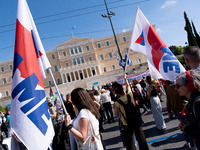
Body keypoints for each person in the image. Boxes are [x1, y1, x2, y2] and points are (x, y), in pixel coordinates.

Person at [112, 74, 149, 150]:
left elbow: (116, 115)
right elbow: (128, 87)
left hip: (127, 123)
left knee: (130, 143)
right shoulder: (130, 95)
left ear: (115, 92)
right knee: (141, 139)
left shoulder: (117, 102)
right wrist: (125, 79)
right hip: (136, 120)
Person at [176, 70, 200, 149]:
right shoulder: (192, 101)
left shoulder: (198, 103)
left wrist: (186, 128)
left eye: (178, 86)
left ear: (189, 85)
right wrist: (188, 124)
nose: (176, 88)